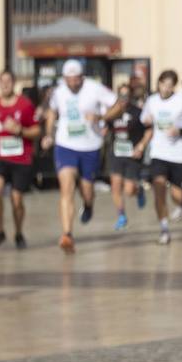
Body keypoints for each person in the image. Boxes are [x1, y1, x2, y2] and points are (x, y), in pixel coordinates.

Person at [42, 60, 125, 253]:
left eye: (76, 80)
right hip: (65, 145)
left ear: (82, 77)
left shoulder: (94, 88)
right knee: (66, 187)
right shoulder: (58, 92)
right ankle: (67, 234)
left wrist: (101, 118)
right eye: (68, 80)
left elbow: (118, 105)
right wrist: (48, 134)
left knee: (87, 190)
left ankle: (88, 205)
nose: (72, 84)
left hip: (90, 145)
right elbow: (52, 113)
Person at [137, 69, 182, 245]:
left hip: (179, 154)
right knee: (159, 189)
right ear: (158, 83)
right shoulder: (152, 101)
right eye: (163, 84)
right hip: (159, 152)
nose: (165, 88)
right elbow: (144, 120)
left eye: (169, 85)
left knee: (177, 195)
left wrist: (179, 131)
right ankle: (164, 229)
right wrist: (147, 121)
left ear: (174, 86)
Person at [0, 71, 40, 249]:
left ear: (14, 83)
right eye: (2, 81)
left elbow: (37, 131)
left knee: (17, 199)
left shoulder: (25, 105)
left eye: (8, 81)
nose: (5, 84)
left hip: (21, 158)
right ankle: (0, 231)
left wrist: (20, 131)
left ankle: (19, 233)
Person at [108, 85, 147, 230]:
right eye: (121, 96)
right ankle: (121, 216)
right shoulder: (112, 112)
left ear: (130, 97)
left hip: (132, 154)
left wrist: (141, 146)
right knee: (116, 186)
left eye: (126, 96)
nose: (124, 99)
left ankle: (139, 191)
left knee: (129, 190)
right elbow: (105, 125)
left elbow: (149, 131)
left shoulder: (138, 112)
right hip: (116, 153)